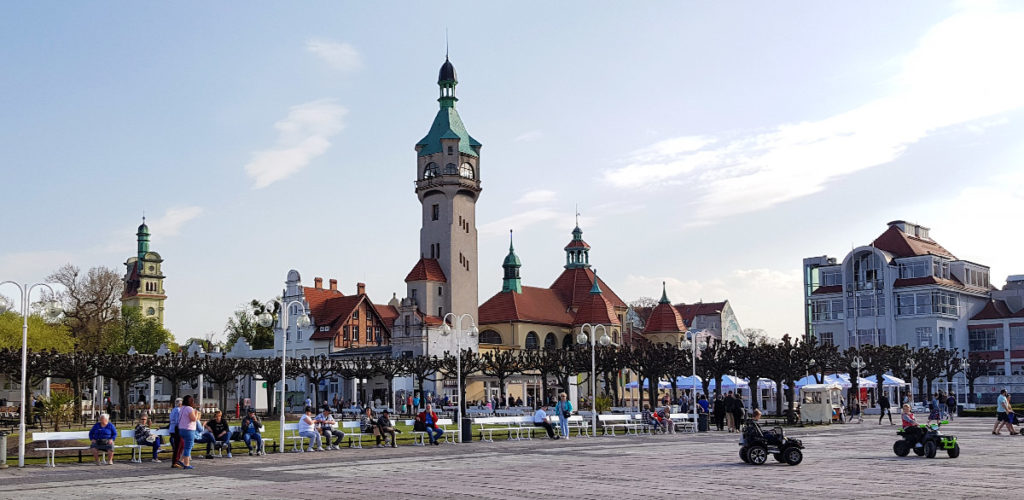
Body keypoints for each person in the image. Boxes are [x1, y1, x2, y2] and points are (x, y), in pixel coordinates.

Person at [177, 395, 199, 469]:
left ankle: (181, 460)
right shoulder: (189, 409)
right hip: (189, 429)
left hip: (182, 429)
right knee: (188, 447)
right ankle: (187, 464)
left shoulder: (182, 408)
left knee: (189, 445)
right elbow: (193, 419)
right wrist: (196, 413)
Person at [168, 397, 183, 468]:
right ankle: (175, 461)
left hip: (172, 429)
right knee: (178, 446)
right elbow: (178, 421)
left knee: (180, 445)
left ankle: (177, 460)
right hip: (176, 429)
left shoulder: (173, 410)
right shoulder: (178, 410)